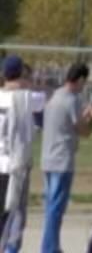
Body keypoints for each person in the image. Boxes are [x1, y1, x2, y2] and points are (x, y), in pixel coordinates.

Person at [40, 63, 92, 253]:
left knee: (51, 207)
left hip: (48, 158)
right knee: (56, 209)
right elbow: (84, 131)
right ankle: (49, 248)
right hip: (62, 160)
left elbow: (69, 122)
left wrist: (85, 115)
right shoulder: (71, 99)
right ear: (81, 79)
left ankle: (52, 246)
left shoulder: (55, 96)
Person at [0, 57, 35, 253]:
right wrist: (26, 83)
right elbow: (45, 97)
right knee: (16, 212)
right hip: (15, 165)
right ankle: (11, 248)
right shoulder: (25, 98)